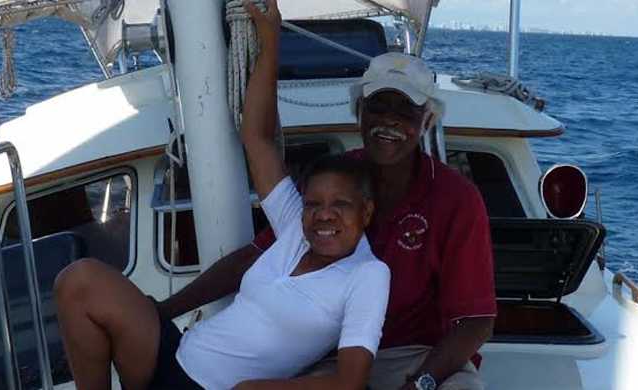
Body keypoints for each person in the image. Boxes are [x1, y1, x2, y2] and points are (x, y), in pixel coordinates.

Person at [52, 1, 390, 389]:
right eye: (314, 203)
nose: (324, 215)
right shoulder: (296, 230)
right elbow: (256, 139)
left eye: (341, 205)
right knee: (78, 281)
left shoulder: (367, 275)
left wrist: (253, 389)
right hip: (174, 353)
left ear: (366, 212)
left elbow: (349, 382)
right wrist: (269, 39)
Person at [157, 13, 496, 390]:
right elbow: (255, 252)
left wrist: (421, 383)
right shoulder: (333, 181)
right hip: (332, 354)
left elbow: (477, 319)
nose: (389, 121)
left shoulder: (457, 199)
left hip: (418, 353)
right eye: (377, 107)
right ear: (358, 114)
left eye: (405, 112)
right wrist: (163, 312)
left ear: (427, 121)